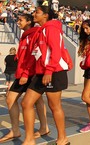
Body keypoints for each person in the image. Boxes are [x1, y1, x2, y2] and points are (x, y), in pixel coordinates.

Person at [21, 4, 70, 145]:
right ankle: (29, 139)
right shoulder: (40, 31)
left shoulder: (52, 28)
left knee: (54, 106)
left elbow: (56, 51)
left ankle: (63, 138)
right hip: (41, 72)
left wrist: (48, 71)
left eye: (37, 12)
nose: (34, 14)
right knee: (26, 103)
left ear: (45, 15)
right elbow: (37, 54)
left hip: (54, 72)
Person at [0, 14, 49, 143]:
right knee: (18, 100)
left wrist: (26, 74)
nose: (18, 22)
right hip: (23, 72)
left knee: (26, 101)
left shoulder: (35, 34)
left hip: (29, 74)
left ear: (29, 21)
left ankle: (40, 129)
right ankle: (18, 130)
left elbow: (34, 55)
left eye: (20, 20)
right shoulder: (25, 36)